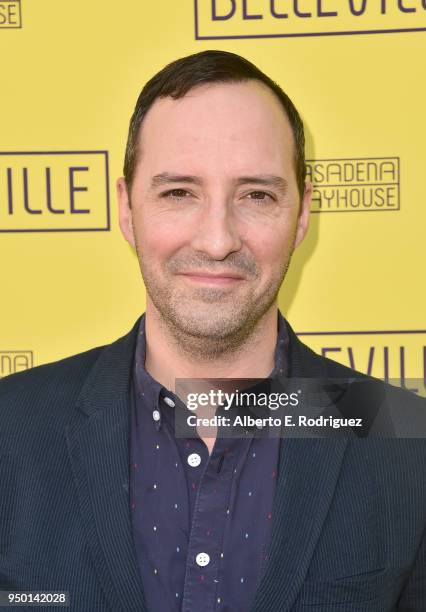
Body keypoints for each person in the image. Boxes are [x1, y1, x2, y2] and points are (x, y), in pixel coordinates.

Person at [0, 50, 425, 612]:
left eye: (257, 196)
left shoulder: (405, 443)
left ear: (302, 216)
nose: (218, 239)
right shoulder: (12, 430)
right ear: (127, 210)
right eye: (179, 192)